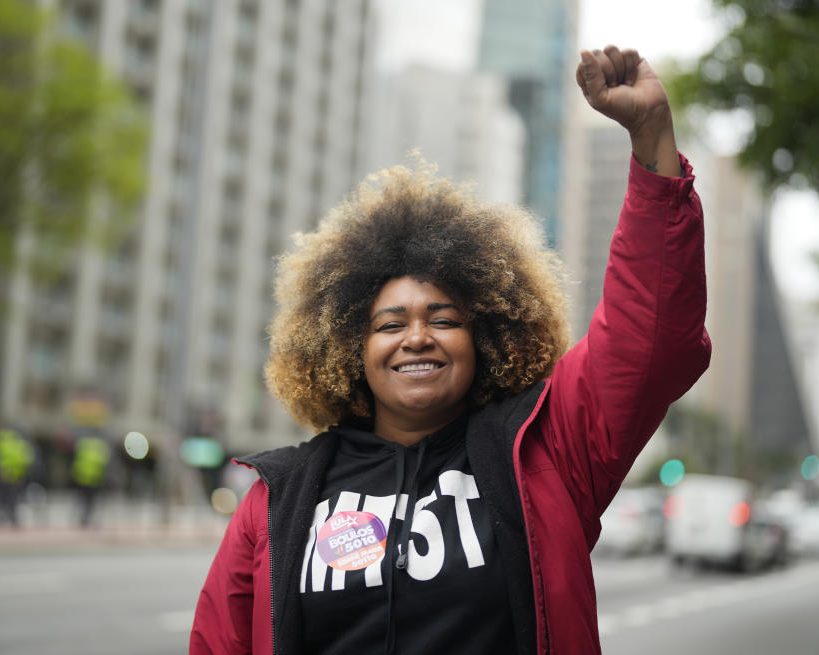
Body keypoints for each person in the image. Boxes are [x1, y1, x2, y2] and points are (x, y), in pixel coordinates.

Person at [191, 45, 711, 655]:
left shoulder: (547, 451)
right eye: (389, 325)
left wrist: (651, 139)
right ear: (346, 348)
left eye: (443, 319)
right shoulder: (277, 497)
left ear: (484, 336)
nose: (417, 337)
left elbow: (646, 336)